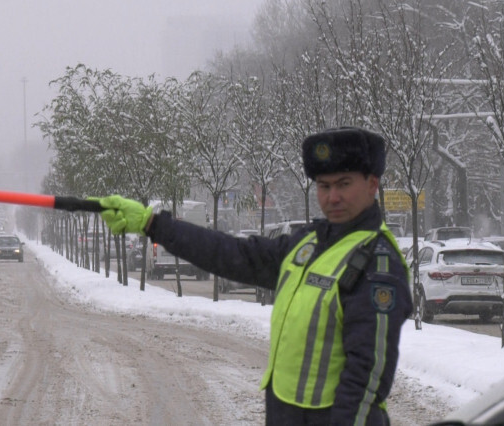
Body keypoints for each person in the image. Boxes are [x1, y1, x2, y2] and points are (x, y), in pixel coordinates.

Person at [96, 127, 412, 425]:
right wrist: (154, 225)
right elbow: (230, 254)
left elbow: (365, 377)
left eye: (344, 184)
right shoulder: (308, 243)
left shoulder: (376, 264)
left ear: (372, 184)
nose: (332, 197)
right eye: (324, 186)